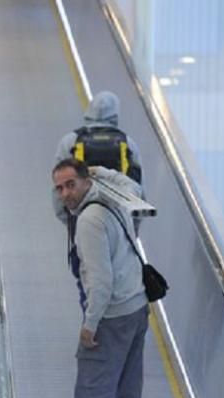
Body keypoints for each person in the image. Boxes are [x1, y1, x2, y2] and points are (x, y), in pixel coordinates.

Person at [51, 158, 148, 398]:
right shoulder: (117, 196)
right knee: (127, 397)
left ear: (84, 180)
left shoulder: (89, 220)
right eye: (59, 188)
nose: (64, 193)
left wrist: (89, 325)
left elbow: (101, 282)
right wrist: (100, 172)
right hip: (137, 308)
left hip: (111, 318)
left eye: (70, 185)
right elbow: (135, 185)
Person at [53, 91, 143, 312]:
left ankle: (93, 329)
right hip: (119, 231)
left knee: (89, 281)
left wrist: (72, 223)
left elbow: (57, 195)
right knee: (118, 281)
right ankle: (111, 327)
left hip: (82, 228)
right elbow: (138, 196)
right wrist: (132, 231)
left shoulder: (70, 142)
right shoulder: (128, 143)